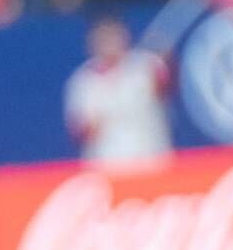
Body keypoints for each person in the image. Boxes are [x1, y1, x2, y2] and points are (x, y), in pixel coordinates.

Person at [63, 14, 173, 169]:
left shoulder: (146, 65)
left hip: (151, 159)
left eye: (114, 35)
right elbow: (79, 132)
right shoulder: (83, 81)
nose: (109, 43)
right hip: (107, 164)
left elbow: (165, 88)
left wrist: (166, 59)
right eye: (103, 38)